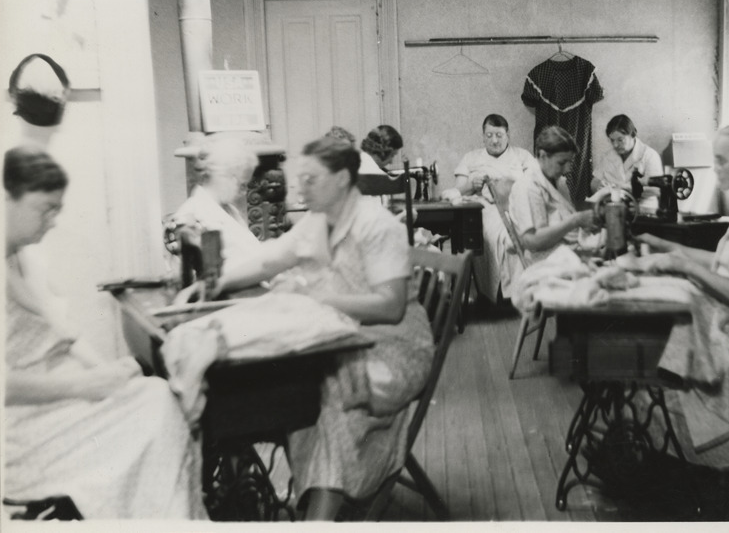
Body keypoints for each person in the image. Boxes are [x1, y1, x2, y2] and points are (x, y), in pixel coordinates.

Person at [175, 136, 434, 520]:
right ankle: (303, 498)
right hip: (337, 340)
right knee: (292, 390)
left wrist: (314, 300)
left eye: (311, 178)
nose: (300, 187)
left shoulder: (377, 227)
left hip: (389, 348)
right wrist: (213, 284)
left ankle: (320, 518)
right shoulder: (316, 222)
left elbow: (391, 307)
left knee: (322, 399)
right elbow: (267, 262)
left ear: (343, 179)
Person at [3, 146, 206, 519]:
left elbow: (65, 336)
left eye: (57, 210)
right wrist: (89, 386)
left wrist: (108, 377)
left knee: (154, 396)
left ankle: (170, 515)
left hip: (55, 404)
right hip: (21, 435)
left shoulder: (23, 257)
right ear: (6, 197)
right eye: (43, 209)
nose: (51, 221)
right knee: (159, 407)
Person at [637, 121, 729, 468]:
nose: (715, 168)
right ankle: (661, 437)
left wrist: (684, 267)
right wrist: (667, 247)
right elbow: (725, 264)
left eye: (722, 160)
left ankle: (684, 447)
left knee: (669, 352)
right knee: (670, 339)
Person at [442, 114, 538, 302]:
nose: (494, 140)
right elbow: (458, 190)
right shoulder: (471, 158)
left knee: (525, 231)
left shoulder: (522, 156)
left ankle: (526, 289)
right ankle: (500, 292)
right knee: (499, 235)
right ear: (483, 136)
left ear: (508, 135)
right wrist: (472, 184)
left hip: (516, 206)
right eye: (489, 135)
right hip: (485, 207)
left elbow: (535, 186)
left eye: (499, 135)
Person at [506, 126, 598, 287]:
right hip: (545, 263)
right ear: (542, 155)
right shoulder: (527, 187)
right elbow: (532, 241)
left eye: (570, 162)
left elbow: (566, 223)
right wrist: (575, 221)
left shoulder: (558, 181)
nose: (568, 169)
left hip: (566, 253)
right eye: (562, 162)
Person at [172, 137, 260, 271]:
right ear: (224, 175)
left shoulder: (228, 209)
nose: (244, 192)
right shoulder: (193, 214)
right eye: (242, 185)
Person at [590, 114, 663, 201]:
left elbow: (657, 190)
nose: (615, 145)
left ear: (632, 135)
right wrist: (599, 186)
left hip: (642, 206)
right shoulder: (608, 156)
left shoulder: (650, 155)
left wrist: (625, 188)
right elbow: (594, 182)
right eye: (612, 140)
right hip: (613, 204)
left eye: (620, 140)